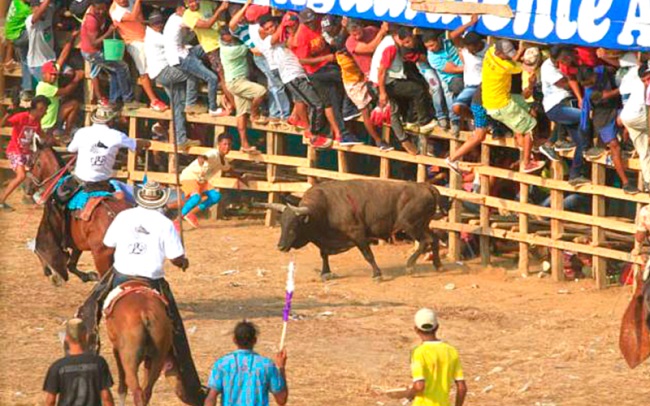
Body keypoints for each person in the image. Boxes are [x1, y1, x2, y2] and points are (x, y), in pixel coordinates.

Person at [77, 181, 206, 406]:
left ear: (140, 198)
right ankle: (191, 387)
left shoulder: (124, 217)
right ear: (160, 201)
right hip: (152, 281)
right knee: (177, 334)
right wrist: (183, 261)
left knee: (88, 309)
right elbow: (176, 257)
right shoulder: (165, 223)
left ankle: (84, 360)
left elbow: (108, 243)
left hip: (121, 275)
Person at [257, 14, 336, 149]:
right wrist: (285, 22)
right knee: (316, 105)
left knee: (300, 101)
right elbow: (282, 39)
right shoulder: (268, 41)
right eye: (267, 28)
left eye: (272, 26)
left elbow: (291, 42)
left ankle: (305, 128)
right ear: (264, 31)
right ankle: (313, 135)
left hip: (299, 75)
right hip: (293, 77)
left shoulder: (285, 37)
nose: (271, 29)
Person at [291, 8, 362, 146]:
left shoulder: (320, 22)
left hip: (328, 64)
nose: (312, 24)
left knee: (334, 99)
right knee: (343, 79)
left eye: (313, 21)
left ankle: (343, 133)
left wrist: (342, 27)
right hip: (316, 71)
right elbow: (302, 60)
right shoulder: (301, 36)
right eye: (308, 23)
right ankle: (347, 112)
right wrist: (326, 58)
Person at [482, 39, 544, 173]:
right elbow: (527, 67)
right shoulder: (506, 67)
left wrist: (521, 49)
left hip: (496, 99)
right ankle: (527, 163)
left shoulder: (490, 52)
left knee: (528, 107)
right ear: (499, 52)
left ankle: (530, 145)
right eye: (507, 54)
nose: (510, 56)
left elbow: (513, 59)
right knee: (531, 126)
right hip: (502, 105)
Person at [370, 27, 435, 154]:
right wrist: (382, 93)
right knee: (418, 90)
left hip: (387, 80)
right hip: (384, 83)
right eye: (407, 42)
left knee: (397, 107)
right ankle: (423, 122)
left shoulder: (390, 40)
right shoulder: (391, 47)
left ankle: (411, 122)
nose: (410, 45)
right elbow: (381, 71)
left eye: (411, 41)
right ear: (400, 39)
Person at [144, 10, 202, 149]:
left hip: (165, 71)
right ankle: (191, 103)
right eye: (156, 23)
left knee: (177, 106)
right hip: (164, 72)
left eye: (160, 22)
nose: (159, 25)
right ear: (150, 24)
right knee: (192, 73)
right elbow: (176, 43)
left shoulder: (157, 34)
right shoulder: (155, 37)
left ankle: (181, 140)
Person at [229, 0, 291, 125]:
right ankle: (283, 114)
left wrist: (246, 6)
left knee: (274, 85)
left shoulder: (246, 30)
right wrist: (246, 5)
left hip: (266, 57)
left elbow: (232, 24)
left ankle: (276, 113)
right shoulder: (253, 29)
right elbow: (232, 24)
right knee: (277, 85)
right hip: (265, 59)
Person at [578, 66, 634, 193]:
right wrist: (629, 86)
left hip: (616, 109)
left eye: (590, 83)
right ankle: (626, 183)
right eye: (586, 85)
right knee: (614, 146)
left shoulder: (602, 70)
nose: (589, 86)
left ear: (593, 74)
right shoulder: (590, 92)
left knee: (630, 121)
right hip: (602, 118)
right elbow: (611, 94)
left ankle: (628, 146)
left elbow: (611, 68)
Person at [204, 320, 288, 406]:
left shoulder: (222, 364)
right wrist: (281, 367)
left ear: (234, 340)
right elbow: (281, 399)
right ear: (255, 340)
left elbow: (211, 397)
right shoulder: (266, 365)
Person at [541, 46, 590, 186]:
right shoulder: (548, 68)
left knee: (580, 142)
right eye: (564, 58)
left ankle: (575, 175)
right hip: (555, 107)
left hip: (566, 105)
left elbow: (571, 80)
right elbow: (566, 84)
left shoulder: (563, 65)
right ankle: (552, 142)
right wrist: (583, 78)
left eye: (568, 57)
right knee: (584, 117)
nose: (568, 60)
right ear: (555, 59)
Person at [332, 36, 391, 150]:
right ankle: (378, 140)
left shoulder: (345, 55)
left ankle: (348, 110)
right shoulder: (345, 59)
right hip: (354, 86)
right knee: (365, 112)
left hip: (359, 81)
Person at [110, 0, 168, 111]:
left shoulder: (131, 1)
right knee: (143, 71)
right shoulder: (115, 11)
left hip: (147, 37)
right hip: (134, 42)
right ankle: (153, 101)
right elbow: (132, 17)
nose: (122, 1)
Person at [178, 133, 246, 228]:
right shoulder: (213, 154)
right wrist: (201, 159)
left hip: (201, 181)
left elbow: (229, 170)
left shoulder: (223, 161)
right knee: (196, 198)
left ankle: (190, 214)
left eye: (229, 144)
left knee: (216, 196)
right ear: (219, 144)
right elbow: (205, 156)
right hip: (190, 177)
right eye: (224, 144)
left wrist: (241, 178)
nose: (227, 147)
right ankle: (177, 221)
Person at [43, 318, 115, 406]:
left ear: (66, 338)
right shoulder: (99, 363)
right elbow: (106, 397)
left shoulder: (57, 367)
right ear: (85, 336)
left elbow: (50, 401)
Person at [165, 1, 219, 117]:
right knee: (212, 78)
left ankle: (190, 103)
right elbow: (205, 25)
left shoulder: (173, 17)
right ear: (179, 9)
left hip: (183, 51)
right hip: (181, 57)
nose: (189, 10)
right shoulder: (182, 19)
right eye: (186, 8)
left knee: (206, 47)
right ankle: (213, 108)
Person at [219, 27, 268, 153]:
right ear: (224, 38)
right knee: (261, 91)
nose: (231, 36)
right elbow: (250, 46)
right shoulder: (232, 50)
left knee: (241, 113)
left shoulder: (227, 44)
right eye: (228, 34)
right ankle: (254, 113)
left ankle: (244, 144)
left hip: (238, 81)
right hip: (237, 82)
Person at [80, 0, 136, 109]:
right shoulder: (92, 20)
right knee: (122, 66)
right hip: (92, 52)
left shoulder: (102, 13)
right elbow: (94, 43)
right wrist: (109, 32)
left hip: (95, 50)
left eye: (103, 9)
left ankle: (113, 100)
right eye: (98, 10)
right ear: (92, 7)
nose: (101, 12)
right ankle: (128, 98)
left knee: (115, 71)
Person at [183, 0, 235, 115]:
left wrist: (221, 22)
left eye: (194, 1)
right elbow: (206, 25)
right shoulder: (188, 16)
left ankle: (231, 102)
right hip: (211, 48)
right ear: (185, 4)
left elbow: (217, 8)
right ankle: (236, 107)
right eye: (189, 3)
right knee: (223, 76)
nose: (193, 4)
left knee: (233, 73)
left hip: (223, 42)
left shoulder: (206, 3)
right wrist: (221, 9)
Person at [406, 308, 466, 406]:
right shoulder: (451, 351)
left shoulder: (418, 352)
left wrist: (410, 393)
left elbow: (419, 386)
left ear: (416, 329)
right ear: (437, 327)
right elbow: (462, 388)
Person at [0, 96, 50, 211]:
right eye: (45, 110)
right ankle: (1, 201)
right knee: (21, 175)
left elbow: (40, 133)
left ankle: (28, 195)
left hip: (26, 152)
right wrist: (8, 112)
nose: (46, 113)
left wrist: (52, 140)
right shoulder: (21, 117)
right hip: (15, 150)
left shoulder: (36, 121)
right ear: (39, 109)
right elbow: (2, 124)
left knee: (36, 173)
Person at [35, 45, 84, 141]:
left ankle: (66, 133)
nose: (53, 77)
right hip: (47, 125)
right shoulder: (43, 87)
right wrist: (77, 79)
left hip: (55, 117)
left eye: (55, 75)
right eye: (51, 75)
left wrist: (71, 40)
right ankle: (62, 133)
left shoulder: (53, 80)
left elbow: (62, 57)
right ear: (44, 74)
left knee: (74, 104)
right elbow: (66, 91)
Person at [621, 61, 650, 191]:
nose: (647, 83)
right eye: (645, 80)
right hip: (637, 116)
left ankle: (648, 181)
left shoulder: (636, 81)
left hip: (627, 117)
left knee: (643, 150)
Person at [5, 0, 34, 101]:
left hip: (12, 34)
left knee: (25, 61)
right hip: (19, 36)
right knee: (40, 31)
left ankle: (27, 89)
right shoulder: (25, 9)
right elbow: (38, 16)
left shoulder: (16, 1)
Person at [25, 0, 55, 81]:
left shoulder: (49, 13)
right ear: (32, 9)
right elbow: (39, 13)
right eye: (38, 7)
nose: (43, 9)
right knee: (44, 90)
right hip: (37, 65)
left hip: (50, 60)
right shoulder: (30, 20)